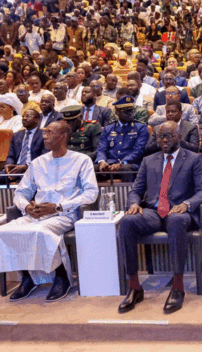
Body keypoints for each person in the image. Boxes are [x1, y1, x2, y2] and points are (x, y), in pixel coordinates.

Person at [0, 120, 98, 302]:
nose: (44, 136)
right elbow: (20, 193)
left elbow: (91, 193)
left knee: (40, 231)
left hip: (64, 214)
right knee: (4, 231)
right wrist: (27, 207)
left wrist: (59, 206)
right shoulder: (38, 162)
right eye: (44, 132)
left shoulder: (81, 160)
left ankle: (61, 277)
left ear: (64, 136)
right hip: (36, 214)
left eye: (50, 133)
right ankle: (28, 277)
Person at [118, 121, 202, 314]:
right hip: (153, 212)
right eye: (161, 136)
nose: (164, 140)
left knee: (175, 220)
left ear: (179, 137)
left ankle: (178, 287)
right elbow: (136, 190)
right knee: (127, 221)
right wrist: (133, 203)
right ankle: (134, 287)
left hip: (179, 211)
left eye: (169, 135)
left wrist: (187, 204)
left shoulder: (193, 159)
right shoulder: (148, 160)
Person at [95, 96, 149, 177]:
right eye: (126, 111)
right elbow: (101, 149)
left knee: (126, 169)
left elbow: (138, 151)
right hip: (110, 163)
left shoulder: (141, 127)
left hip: (130, 164)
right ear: (117, 113)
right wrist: (102, 161)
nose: (130, 114)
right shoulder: (108, 128)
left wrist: (122, 163)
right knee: (94, 168)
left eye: (132, 110)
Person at [4, 109, 46, 175]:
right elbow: (10, 156)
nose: (24, 118)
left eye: (28, 116)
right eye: (23, 116)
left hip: (34, 170)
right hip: (15, 168)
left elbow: (44, 158)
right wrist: (9, 166)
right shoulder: (16, 135)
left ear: (37, 120)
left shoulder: (44, 135)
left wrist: (25, 167)